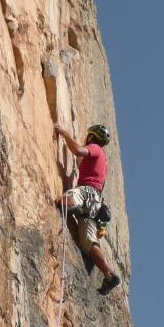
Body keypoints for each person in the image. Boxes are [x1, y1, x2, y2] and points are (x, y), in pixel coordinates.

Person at [53, 122, 121, 296]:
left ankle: (75, 208)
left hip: (87, 192)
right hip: (95, 202)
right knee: (88, 242)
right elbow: (80, 159)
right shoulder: (103, 160)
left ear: (92, 137)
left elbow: (78, 151)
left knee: (63, 201)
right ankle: (109, 274)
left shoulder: (95, 148)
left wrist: (65, 133)